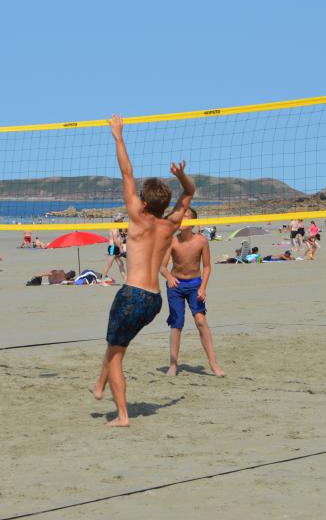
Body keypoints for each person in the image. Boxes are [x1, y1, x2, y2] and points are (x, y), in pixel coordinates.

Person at [91, 115, 195, 427]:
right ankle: (99, 386)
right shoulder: (169, 225)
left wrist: (118, 136)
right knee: (114, 346)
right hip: (153, 299)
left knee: (116, 356)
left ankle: (122, 416)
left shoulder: (137, 218)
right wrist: (182, 176)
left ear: (143, 202)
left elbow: (126, 171)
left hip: (132, 295)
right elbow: (189, 194)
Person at [160, 207, 224, 377]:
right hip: (176, 285)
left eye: (185, 217)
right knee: (177, 324)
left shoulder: (201, 241)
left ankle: (213, 364)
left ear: (193, 222)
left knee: (201, 320)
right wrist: (168, 277)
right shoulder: (172, 241)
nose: (181, 220)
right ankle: (173, 365)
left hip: (195, 284)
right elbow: (162, 266)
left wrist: (203, 287)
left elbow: (208, 267)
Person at [101, 213, 127, 282]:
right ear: (118, 219)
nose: (123, 220)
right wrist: (121, 248)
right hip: (113, 247)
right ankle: (102, 280)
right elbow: (115, 239)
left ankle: (126, 280)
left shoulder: (117, 226)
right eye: (122, 218)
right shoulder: (114, 227)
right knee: (109, 264)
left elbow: (119, 238)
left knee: (121, 264)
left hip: (116, 247)